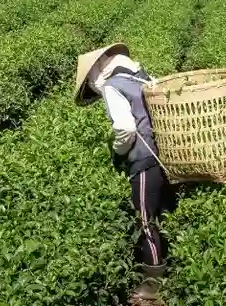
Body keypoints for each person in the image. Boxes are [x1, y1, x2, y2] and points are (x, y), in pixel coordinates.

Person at [75, 44, 173, 304]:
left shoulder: (111, 86)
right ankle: (169, 264)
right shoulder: (141, 76)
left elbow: (125, 128)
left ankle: (153, 287)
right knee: (161, 211)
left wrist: (119, 153)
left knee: (145, 220)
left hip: (143, 158)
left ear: (95, 73)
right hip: (165, 152)